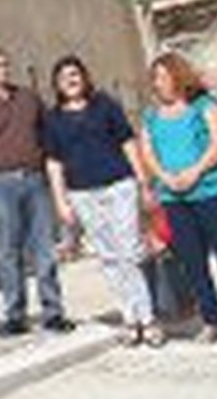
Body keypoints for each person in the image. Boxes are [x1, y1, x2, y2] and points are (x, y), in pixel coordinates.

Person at [139, 51, 217, 344]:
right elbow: (148, 152)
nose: (158, 83)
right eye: (155, 78)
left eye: (164, 76)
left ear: (178, 77)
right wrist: (164, 177)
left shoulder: (205, 106)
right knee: (193, 262)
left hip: (210, 191)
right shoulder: (151, 116)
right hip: (174, 196)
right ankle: (211, 320)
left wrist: (195, 172)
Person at [42, 55, 162, 347]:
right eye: (64, 77)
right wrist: (60, 201)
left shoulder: (105, 105)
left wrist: (143, 182)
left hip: (118, 185)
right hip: (82, 193)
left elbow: (128, 143)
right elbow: (54, 162)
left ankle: (148, 319)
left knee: (129, 250)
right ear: (57, 85)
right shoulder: (53, 119)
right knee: (108, 256)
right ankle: (129, 318)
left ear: (84, 77)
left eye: (75, 74)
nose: (71, 80)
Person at [0, 47, 74, 335]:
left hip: (34, 179)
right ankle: (15, 315)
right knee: (8, 251)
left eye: (4, 65)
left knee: (44, 249)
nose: (2, 71)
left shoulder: (28, 98)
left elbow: (46, 131)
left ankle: (53, 311)